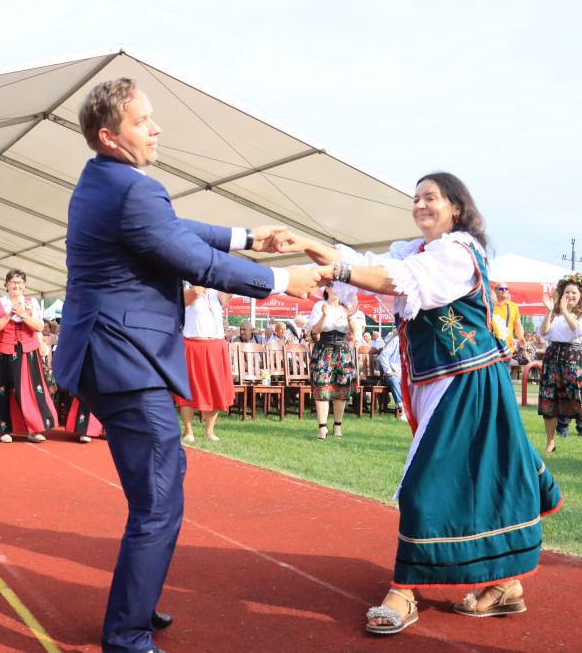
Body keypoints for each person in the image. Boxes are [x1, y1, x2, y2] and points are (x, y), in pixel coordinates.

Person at [53, 78, 325, 653]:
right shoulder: (132, 190)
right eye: (143, 121)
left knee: (163, 486)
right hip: (126, 363)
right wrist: (280, 279)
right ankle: (126, 636)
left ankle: (137, 606)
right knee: (158, 499)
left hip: (109, 358)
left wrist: (251, 236)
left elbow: (176, 229)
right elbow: (191, 257)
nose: (155, 129)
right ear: (110, 135)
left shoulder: (105, 180)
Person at [280, 172, 562, 635]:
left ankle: (405, 591)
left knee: (425, 485)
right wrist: (304, 243)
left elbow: (395, 281)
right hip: (441, 382)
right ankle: (507, 585)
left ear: (456, 207)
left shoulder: (455, 253)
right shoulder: (415, 250)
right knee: (480, 479)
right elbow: (366, 263)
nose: (419, 205)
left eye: (430, 198)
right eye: (415, 199)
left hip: (467, 381)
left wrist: (336, 271)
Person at [0, 269, 57, 443]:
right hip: (3, 349)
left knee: (30, 389)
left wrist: (23, 315)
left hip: (27, 350)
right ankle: (4, 429)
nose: (16, 285)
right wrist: (10, 314)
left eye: (19, 282)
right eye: (13, 282)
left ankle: (34, 429)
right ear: (6, 284)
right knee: (3, 389)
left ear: (24, 285)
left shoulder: (32, 302)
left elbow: (39, 327)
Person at [536, 274, 582, 455]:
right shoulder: (555, 312)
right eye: (566, 292)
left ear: (580, 295)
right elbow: (544, 332)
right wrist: (550, 311)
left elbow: (577, 330)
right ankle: (550, 442)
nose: (570, 295)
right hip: (553, 357)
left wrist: (565, 310)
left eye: (573, 292)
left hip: (573, 358)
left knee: (581, 401)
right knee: (550, 400)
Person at [174, 285, 233, 442]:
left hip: (215, 345)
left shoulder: (216, 293)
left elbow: (228, 294)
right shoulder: (188, 290)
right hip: (193, 344)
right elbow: (195, 293)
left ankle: (209, 431)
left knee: (215, 387)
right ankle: (188, 431)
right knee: (190, 388)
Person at [308, 283, 356, 439]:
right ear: (326, 289)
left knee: (341, 388)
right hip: (323, 348)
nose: (337, 290)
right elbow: (315, 331)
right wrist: (324, 315)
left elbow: (353, 331)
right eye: (334, 286)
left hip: (342, 349)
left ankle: (337, 426)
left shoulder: (346, 307)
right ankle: (323, 427)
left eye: (339, 287)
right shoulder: (319, 306)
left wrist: (349, 316)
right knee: (321, 387)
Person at [377, 329, 406, 421]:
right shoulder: (396, 340)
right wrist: (389, 372)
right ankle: (402, 409)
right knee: (394, 380)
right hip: (394, 375)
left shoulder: (416, 342)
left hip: (408, 376)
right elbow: (383, 355)